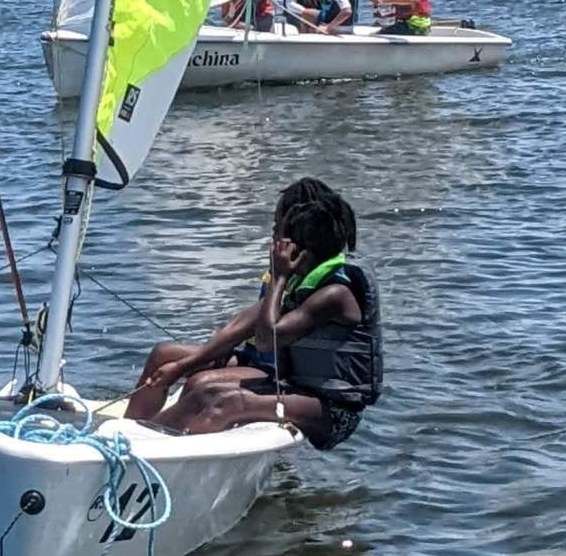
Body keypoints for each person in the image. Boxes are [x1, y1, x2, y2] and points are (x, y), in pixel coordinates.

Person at [123, 177, 382, 451]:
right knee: (175, 362)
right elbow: (240, 326)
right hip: (301, 390)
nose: (274, 240)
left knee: (218, 395)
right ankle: (134, 438)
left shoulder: (334, 294)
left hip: (333, 411)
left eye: (279, 234)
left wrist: (279, 277)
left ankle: (153, 454)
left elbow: (267, 339)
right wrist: (183, 365)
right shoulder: (303, 282)